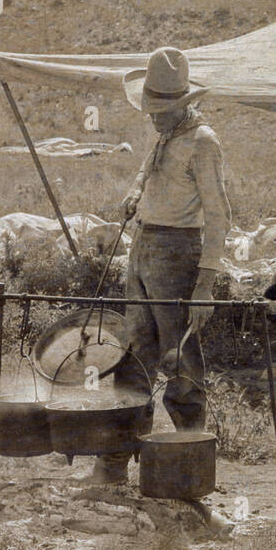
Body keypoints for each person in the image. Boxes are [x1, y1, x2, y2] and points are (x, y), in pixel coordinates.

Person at [88, 47, 232, 485]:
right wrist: (133, 195)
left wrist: (204, 285)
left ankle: (190, 468)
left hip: (179, 253)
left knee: (182, 362)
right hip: (144, 248)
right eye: (150, 110)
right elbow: (146, 174)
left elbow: (219, 215)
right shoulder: (164, 135)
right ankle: (113, 464)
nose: (153, 117)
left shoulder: (203, 142)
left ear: (183, 104)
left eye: (161, 110)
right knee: (132, 358)